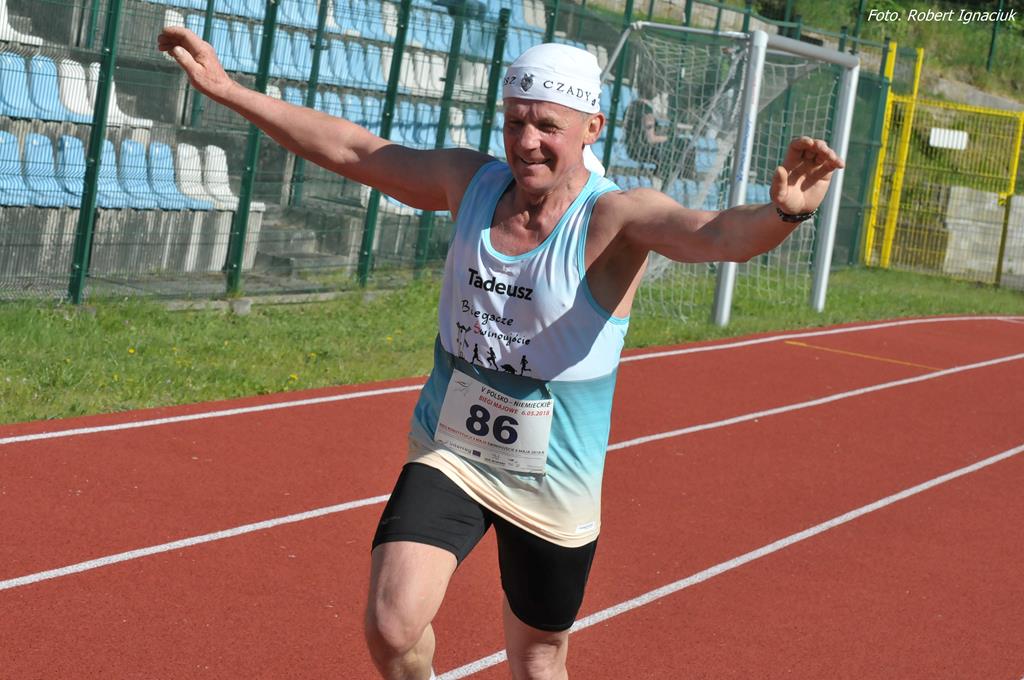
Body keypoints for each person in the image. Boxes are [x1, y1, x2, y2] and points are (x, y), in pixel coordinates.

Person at [158, 29, 842, 680]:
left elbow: (715, 233)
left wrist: (783, 214)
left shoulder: (615, 218)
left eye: (547, 126)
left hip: (554, 484)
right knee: (393, 624)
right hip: (452, 449)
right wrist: (228, 90)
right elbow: (355, 151)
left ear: (592, 128)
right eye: (515, 122)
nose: (527, 141)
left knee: (538, 660)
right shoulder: (471, 183)